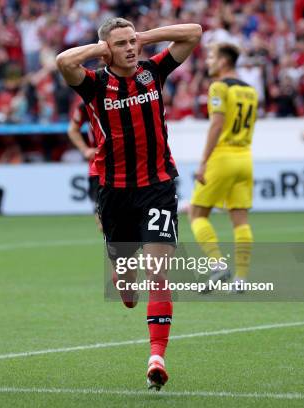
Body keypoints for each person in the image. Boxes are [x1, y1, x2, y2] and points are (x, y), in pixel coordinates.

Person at [56, 18, 201, 390]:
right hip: (115, 190)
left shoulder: (154, 71)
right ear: (107, 50)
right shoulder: (95, 85)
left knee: (159, 272)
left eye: (132, 42)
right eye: (122, 44)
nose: (131, 48)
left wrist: (145, 37)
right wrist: (100, 49)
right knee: (124, 273)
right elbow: (63, 62)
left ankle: (156, 357)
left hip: (158, 186)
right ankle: (122, 277)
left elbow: (194, 32)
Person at [189, 43, 258, 293]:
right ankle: (241, 278)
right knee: (240, 218)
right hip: (245, 158)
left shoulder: (218, 87)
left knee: (196, 214)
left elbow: (217, 125)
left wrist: (203, 162)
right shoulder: (250, 90)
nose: (208, 62)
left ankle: (216, 264)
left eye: (211, 57)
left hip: (223, 157)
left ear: (224, 62)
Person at [67, 101, 100, 215]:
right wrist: (85, 150)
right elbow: (72, 130)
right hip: (99, 167)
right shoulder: (85, 105)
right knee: (102, 220)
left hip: (126, 165)